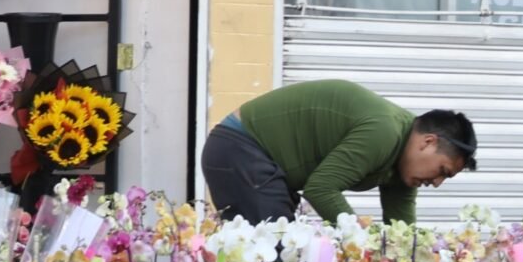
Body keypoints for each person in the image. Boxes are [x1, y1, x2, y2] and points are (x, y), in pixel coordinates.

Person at [201, 79, 477, 226]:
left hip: (255, 161)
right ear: (428, 142)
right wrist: (357, 238)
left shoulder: (402, 167)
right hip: (241, 148)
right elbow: (321, 189)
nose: (437, 182)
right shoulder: (384, 132)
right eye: (442, 171)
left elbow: (401, 232)